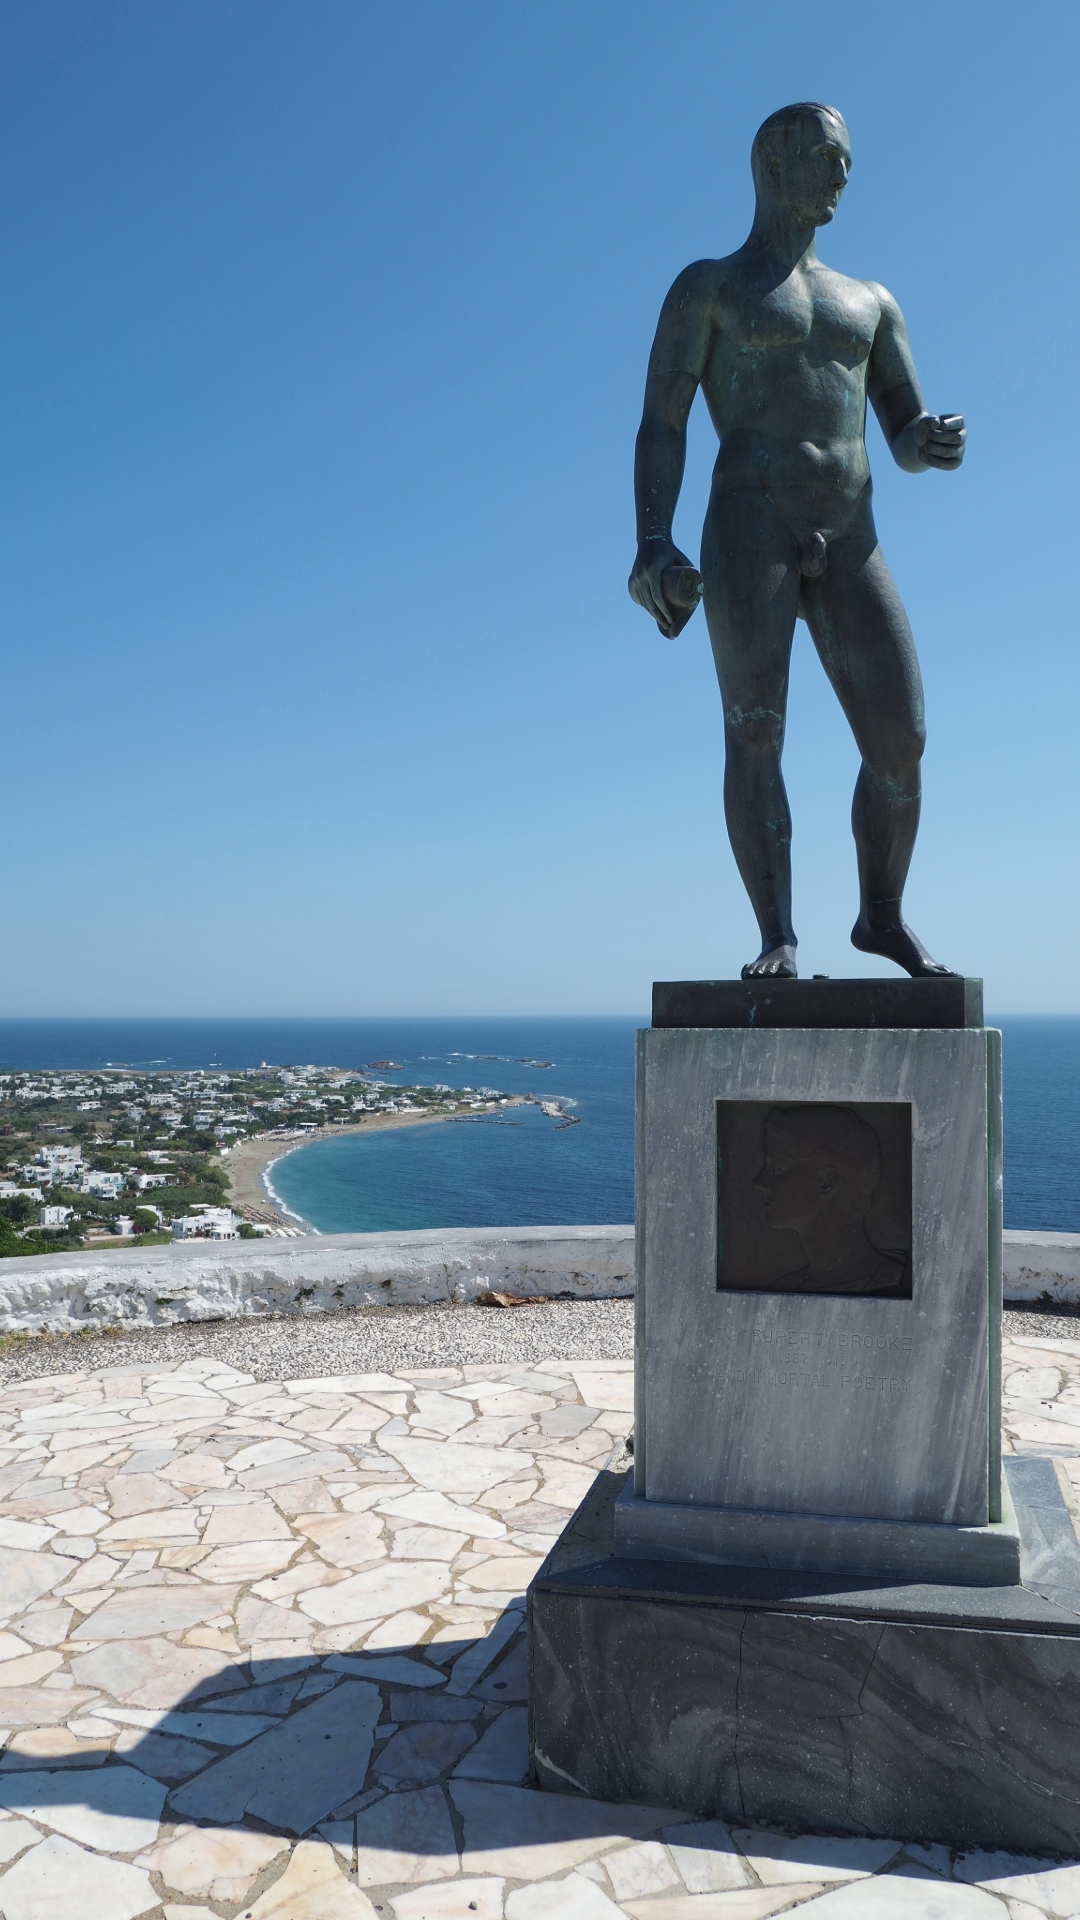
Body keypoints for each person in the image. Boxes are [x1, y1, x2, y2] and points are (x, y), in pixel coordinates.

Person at [628, 103, 965, 980]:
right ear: (774, 165)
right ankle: (776, 934)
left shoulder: (871, 301)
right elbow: (663, 421)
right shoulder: (710, 287)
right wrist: (654, 540)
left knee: (901, 737)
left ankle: (880, 919)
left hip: (852, 526)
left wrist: (926, 441)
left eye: (848, 159)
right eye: (827, 156)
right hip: (751, 514)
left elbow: (900, 422)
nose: (844, 172)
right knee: (755, 728)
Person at [752, 1105, 907, 1295]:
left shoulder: (893, 1278)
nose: (759, 1182)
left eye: (778, 1168)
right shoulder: (785, 1287)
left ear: (826, 1181)